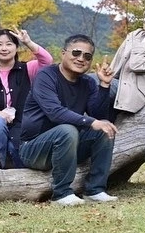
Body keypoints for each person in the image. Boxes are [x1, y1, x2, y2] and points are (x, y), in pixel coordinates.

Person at [19, 35, 119, 206]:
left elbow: (98, 115)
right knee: (67, 129)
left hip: (68, 145)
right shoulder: (46, 76)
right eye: (76, 53)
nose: (81, 59)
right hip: (33, 148)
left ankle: (95, 190)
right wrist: (91, 122)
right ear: (63, 53)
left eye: (87, 56)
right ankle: (61, 193)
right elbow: (55, 113)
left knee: (104, 129)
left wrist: (104, 86)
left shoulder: (87, 82)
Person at [0, 28, 53, 168]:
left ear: (16, 47)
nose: (4, 48)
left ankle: (20, 178)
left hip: (19, 126)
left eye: (9, 44)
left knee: (15, 148)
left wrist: (28, 42)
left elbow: (47, 61)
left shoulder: (27, 69)